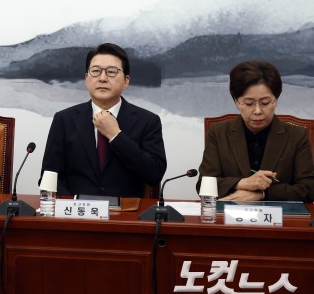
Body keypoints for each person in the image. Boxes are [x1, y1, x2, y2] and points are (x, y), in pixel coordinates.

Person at [40, 43, 167, 197]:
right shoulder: (64, 120)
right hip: (77, 209)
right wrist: (72, 204)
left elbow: (154, 174)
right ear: (86, 79)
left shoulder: (147, 121)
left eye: (111, 72)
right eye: (95, 71)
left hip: (127, 210)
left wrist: (115, 135)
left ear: (126, 81)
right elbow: (49, 176)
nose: (102, 78)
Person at [197, 60, 314, 201]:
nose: (257, 111)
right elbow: (204, 184)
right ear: (236, 102)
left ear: (276, 100)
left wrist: (261, 194)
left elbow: (308, 189)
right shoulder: (219, 132)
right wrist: (243, 183)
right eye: (249, 103)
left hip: (280, 214)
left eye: (265, 103)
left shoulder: (297, 136)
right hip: (229, 213)